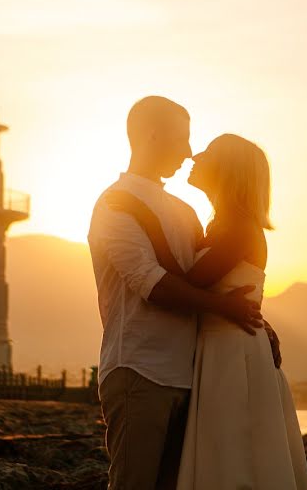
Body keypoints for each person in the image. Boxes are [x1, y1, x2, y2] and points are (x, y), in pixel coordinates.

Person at [107, 133, 307, 489]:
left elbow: (185, 282)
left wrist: (148, 223)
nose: (196, 156)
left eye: (209, 152)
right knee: (225, 456)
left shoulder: (237, 227)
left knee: (233, 459)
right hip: (219, 349)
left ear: (228, 170)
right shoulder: (220, 226)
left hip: (232, 354)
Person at [88, 97, 266, 490]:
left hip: (193, 375)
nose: (189, 152)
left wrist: (254, 317)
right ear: (153, 134)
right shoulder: (113, 204)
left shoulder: (183, 211)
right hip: (140, 370)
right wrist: (226, 308)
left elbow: (204, 275)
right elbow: (152, 283)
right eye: (183, 138)